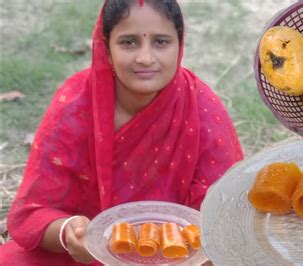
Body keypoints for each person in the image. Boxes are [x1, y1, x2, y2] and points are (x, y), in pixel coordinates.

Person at [1, 0, 243, 265]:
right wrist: (70, 232)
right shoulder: (75, 102)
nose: (145, 58)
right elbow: (32, 213)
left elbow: (224, 217)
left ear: (179, 45)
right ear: (106, 47)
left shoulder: (202, 106)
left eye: (161, 42)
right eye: (129, 42)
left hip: (178, 256)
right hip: (89, 255)